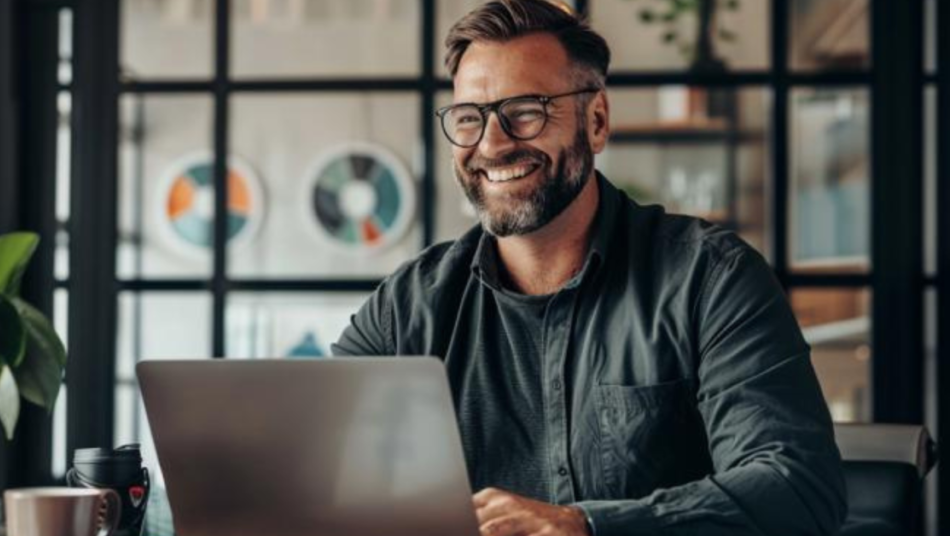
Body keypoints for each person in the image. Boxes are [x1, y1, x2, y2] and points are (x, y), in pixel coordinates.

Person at [332, 1, 847, 535]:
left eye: (526, 111)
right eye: (469, 118)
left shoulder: (710, 278)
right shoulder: (408, 305)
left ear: (596, 121)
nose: (491, 143)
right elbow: (317, 472)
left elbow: (798, 488)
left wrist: (587, 527)